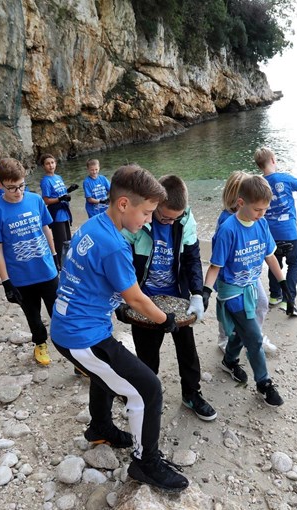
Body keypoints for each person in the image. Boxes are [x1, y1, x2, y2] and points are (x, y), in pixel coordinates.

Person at [50, 164, 189, 493]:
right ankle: (145, 463)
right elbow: (137, 298)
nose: (148, 221)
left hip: (70, 326)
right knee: (148, 389)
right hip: (82, 336)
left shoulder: (94, 224)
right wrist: (166, 321)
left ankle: (100, 428)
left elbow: (97, 282)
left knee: (106, 374)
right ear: (124, 204)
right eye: (147, 213)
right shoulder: (114, 245)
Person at [120, 174, 216, 422]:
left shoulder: (185, 219)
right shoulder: (139, 218)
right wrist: (120, 300)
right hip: (144, 299)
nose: (170, 222)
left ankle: (191, 394)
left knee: (188, 350)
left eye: (175, 218)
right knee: (147, 355)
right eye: (164, 217)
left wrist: (198, 293)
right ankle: (142, 396)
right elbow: (121, 263)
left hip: (177, 296)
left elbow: (193, 258)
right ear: (155, 204)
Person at [204, 175, 295, 407]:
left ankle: (229, 360)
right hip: (232, 291)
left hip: (251, 285)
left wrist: (284, 285)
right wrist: (204, 292)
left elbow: (270, 256)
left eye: (265, 209)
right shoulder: (228, 230)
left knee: (242, 332)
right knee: (253, 338)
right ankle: (264, 383)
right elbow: (216, 266)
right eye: (257, 209)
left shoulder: (262, 224)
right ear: (241, 203)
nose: (262, 214)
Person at [0, 158, 60, 366]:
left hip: (46, 270)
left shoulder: (35, 200)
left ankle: (71, 346)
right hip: (21, 277)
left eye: (21, 186)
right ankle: (40, 344)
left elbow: (46, 229)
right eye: (11, 188)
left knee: (59, 312)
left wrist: (55, 256)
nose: (18, 192)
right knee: (32, 314)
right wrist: (6, 282)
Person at [215, 171, 277, 356]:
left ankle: (253, 335)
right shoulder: (227, 222)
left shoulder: (257, 221)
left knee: (261, 303)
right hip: (230, 279)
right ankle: (224, 339)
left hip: (249, 274)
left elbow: (267, 249)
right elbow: (219, 259)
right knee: (230, 312)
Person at [255, 147, 297, 316]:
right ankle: (289, 299)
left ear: (259, 166)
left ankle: (275, 296)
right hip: (289, 232)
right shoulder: (284, 178)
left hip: (269, 233)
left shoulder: (259, 183)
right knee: (294, 263)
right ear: (273, 160)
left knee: (275, 263)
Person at [39, 153, 78, 267]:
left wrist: (69, 190)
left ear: (55, 163)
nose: (51, 165)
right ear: (43, 166)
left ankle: (68, 262)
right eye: (47, 164)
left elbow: (61, 193)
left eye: (52, 163)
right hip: (56, 213)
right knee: (61, 241)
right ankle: (60, 264)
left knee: (68, 239)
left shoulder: (58, 177)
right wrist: (60, 199)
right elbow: (46, 200)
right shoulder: (45, 181)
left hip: (65, 212)